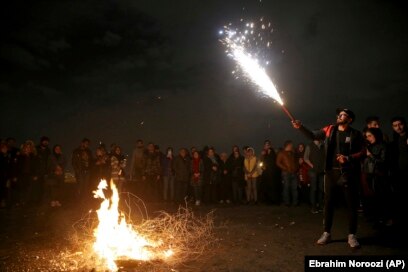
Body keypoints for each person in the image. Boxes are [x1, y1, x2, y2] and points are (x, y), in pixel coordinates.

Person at [292, 108, 365, 248]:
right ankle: (326, 233)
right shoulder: (330, 129)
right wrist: (301, 127)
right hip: (331, 173)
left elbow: (362, 152)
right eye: (339, 114)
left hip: (347, 173)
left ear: (349, 119)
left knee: (351, 204)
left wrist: (348, 158)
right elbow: (313, 136)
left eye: (343, 115)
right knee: (328, 203)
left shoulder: (355, 134)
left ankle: (352, 235)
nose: (339, 116)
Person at [361, 128, 389, 226]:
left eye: (370, 136)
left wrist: (371, 155)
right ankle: (371, 217)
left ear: (376, 135)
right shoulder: (368, 146)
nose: (368, 138)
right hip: (367, 174)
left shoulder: (383, 146)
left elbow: (383, 161)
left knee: (379, 197)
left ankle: (381, 218)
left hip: (378, 175)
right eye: (367, 136)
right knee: (368, 197)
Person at [389, 116, 408, 228]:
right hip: (400, 173)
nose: (398, 127)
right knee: (401, 197)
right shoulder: (396, 139)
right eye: (395, 126)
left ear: (404, 124)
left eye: (400, 124)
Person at [304, 137, 325, 213]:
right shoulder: (309, 146)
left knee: (321, 189)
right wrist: (312, 165)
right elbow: (305, 158)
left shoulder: (323, 145)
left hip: (321, 171)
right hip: (313, 171)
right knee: (314, 189)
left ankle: (320, 205)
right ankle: (313, 207)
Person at [276, 141, 299, 207]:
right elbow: (278, 163)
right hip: (286, 173)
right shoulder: (281, 153)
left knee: (294, 188)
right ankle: (287, 202)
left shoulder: (293, 153)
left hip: (294, 173)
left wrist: (296, 168)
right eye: (291, 145)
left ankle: (295, 202)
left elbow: (296, 161)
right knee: (286, 188)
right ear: (288, 145)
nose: (292, 146)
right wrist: (285, 168)